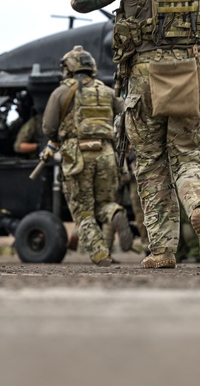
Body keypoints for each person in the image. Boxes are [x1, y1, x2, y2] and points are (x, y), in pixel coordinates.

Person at [70, 0, 200, 268]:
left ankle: (162, 250)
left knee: (152, 163)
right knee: (188, 156)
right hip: (191, 76)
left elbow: (79, 1)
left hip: (145, 82)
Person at [40, 45, 133, 266]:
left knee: (83, 212)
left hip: (77, 155)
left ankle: (100, 255)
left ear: (69, 68)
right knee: (104, 203)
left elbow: (48, 127)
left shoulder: (61, 92)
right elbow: (127, 115)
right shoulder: (107, 91)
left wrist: (60, 135)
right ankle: (114, 213)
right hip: (106, 154)